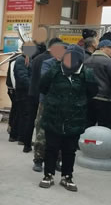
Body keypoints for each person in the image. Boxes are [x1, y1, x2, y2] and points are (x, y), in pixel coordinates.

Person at [38, 46, 98, 191]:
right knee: (51, 147)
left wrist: (77, 103)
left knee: (70, 149)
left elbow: (92, 92)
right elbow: (42, 87)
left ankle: (67, 177)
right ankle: (48, 175)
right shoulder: (55, 70)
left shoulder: (86, 73)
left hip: (75, 118)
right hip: (53, 116)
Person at [30, 38, 63, 172]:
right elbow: (47, 80)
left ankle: (56, 160)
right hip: (46, 102)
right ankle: (38, 159)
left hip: (62, 104)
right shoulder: (48, 63)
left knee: (59, 132)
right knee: (42, 132)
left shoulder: (69, 65)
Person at [84, 39, 111, 129]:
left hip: (89, 98)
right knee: (104, 127)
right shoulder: (109, 62)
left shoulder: (87, 60)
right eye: (110, 47)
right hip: (104, 98)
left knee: (89, 124)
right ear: (102, 48)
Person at [13, 50, 32, 152]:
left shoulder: (27, 59)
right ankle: (21, 138)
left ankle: (17, 136)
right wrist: (32, 87)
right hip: (23, 91)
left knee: (22, 114)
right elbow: (23, 77)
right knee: (24, 115)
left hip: (24, 91)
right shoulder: (21, 60)